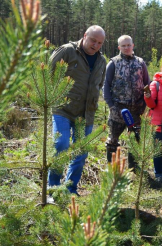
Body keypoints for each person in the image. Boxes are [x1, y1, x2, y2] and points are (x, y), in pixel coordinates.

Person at [48, 25, 107, 195]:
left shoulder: (101, 61)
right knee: (61, 145)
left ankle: (70, 189)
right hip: (63, 109)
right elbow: (49, 74)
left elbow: (99, 84)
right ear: (84, 36)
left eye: (99, 43)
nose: (95, 45)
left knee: (80, 154)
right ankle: (52, 189)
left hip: (86, 113)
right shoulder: (67, 51)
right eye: (93, 40)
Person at [103, 35, 150, 167]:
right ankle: (112, 170)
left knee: (135, 140)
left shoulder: (140, 63)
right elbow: (106, 85)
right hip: (118, 109)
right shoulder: (113, 63)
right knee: (112, 140)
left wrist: (146, 105)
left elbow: (147, 84)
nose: (126, 48)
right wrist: (111, 106)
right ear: (119, 47)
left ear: (133, 45)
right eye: (123, 46)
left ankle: (133, 169)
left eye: (128, 45)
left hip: (137, 110)